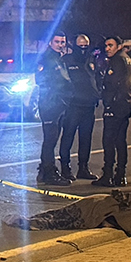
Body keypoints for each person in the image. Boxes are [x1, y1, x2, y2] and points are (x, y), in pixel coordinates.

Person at [94, 36, 131, 187]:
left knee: (109, 140)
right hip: (125, 104)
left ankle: (108, 175)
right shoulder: (127, 59)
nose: (107, 48)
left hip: (116, 105)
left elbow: (113, 84)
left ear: (119, 46)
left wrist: (109, 103)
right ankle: (120, 175)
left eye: (111, 45)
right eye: (106, 45)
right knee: (120, 140)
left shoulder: (118, 60)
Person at [59, 33, 98, 181]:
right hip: (73, 106)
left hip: (89, 105)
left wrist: (97, 95)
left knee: (86, 138)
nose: (83, 48)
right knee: (68, 136)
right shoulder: (67, 60)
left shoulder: (91, 60)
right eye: (80, 45)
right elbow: (62, 82)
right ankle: (65, 168)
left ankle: (83, 168)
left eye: (85, 46)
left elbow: (97, 79)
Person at [35, 32, 72, 186]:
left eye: (63, 42)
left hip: (57, 104)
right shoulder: (48, 58)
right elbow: (43, 80)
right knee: (50, 140)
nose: (60, 45)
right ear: (50, 42)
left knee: (51, 139)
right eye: (57, 42)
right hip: (50, 104)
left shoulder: (58, 58)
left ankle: (44, 171)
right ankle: (49, 172)